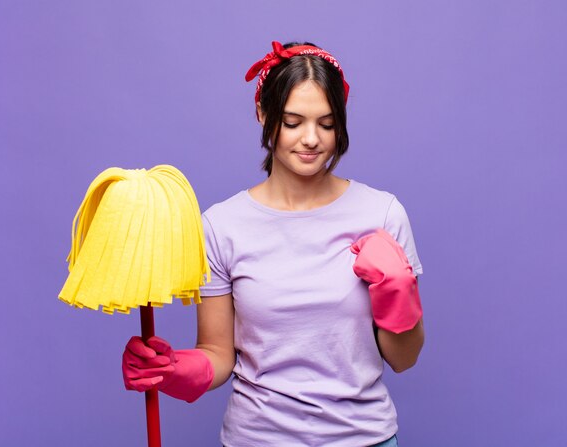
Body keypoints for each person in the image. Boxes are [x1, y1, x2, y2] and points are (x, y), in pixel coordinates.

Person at [122, 41, 425, 447]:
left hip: (365, 439)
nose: (312, 139)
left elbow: (404, 360)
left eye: (327, 123)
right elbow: (217, 354)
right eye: (293, 121)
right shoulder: (221, 225)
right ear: (264, 114)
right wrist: (174, 370)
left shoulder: (382, 214)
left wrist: (397, 292)